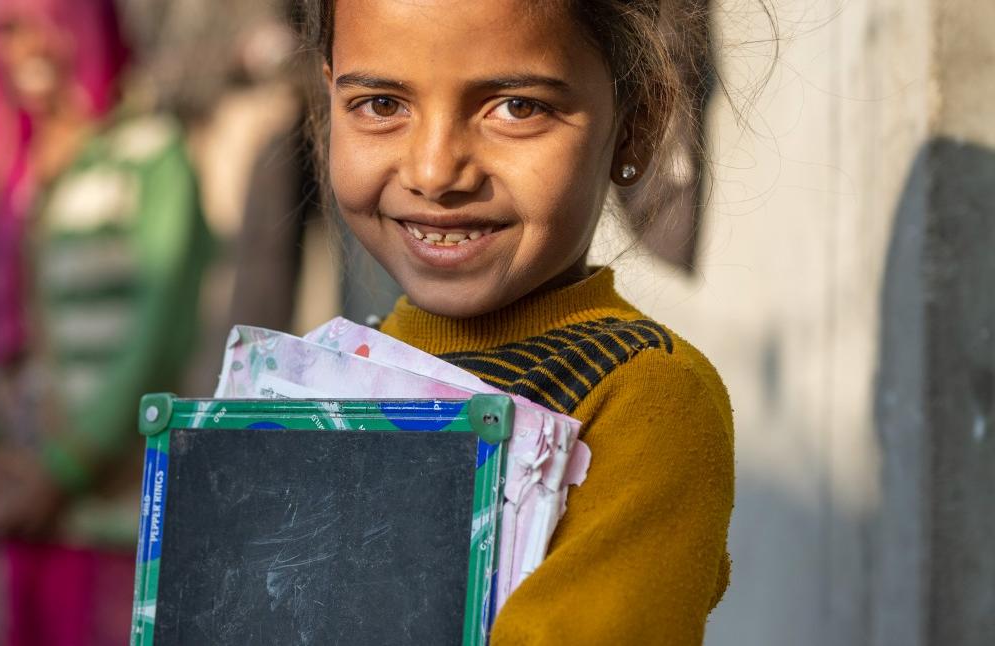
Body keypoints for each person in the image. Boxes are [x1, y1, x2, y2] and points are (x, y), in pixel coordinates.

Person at [306, 0, 732, 642]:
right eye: (382, 105)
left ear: (636, 126)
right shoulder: (328, 379)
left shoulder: (644, 400)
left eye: (517, 106)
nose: (434, 172)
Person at [0, 0, 210, 643]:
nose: (29, 49)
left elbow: (159, 335)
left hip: (107, 508)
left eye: (47, 25)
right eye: (10, 30)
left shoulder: (153, 159)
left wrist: (64, 469)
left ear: (90, 30)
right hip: (0, 503)